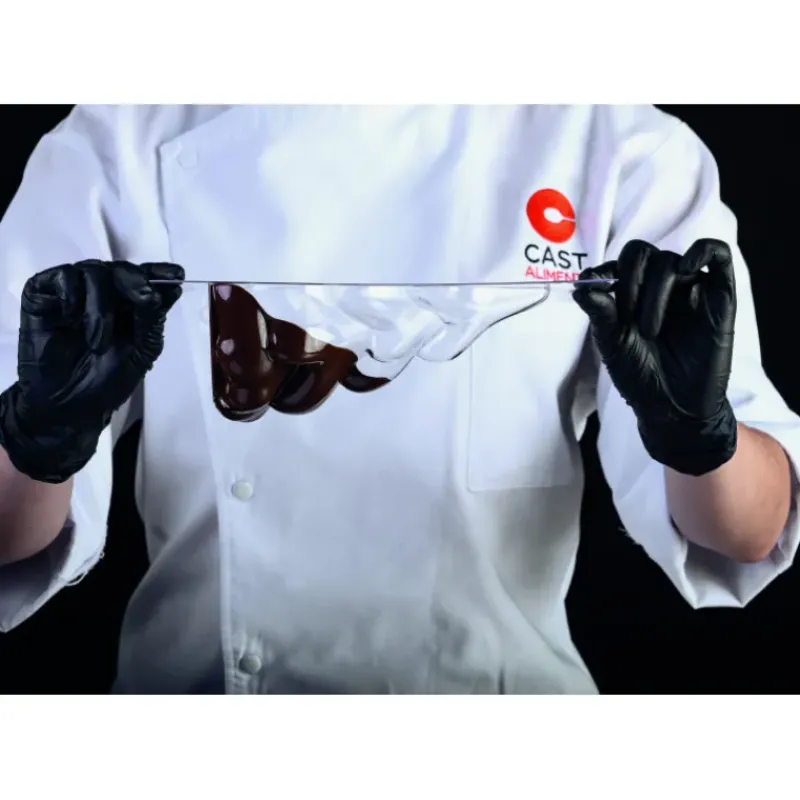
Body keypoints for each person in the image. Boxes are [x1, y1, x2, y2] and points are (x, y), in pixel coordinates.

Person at [0, 104, 796, 694]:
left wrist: (701, 436)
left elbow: (744, 532)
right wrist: (40, 436)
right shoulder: (120, 140)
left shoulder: (617, 147)